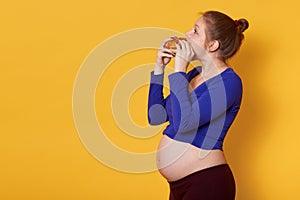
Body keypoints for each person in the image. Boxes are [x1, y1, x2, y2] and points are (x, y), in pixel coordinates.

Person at [147, 10, 249, 200]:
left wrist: (179, 69)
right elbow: (157, 117)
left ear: (212, 45)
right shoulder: (195, 75)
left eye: (195, 31)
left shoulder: (229, 82)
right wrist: (159, 69)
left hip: (207, 183)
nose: (186, 34)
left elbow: (186, 123)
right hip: (179, 186)